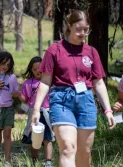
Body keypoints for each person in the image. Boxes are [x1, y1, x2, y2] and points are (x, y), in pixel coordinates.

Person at [31, 10, 116, 167]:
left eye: (85, 29)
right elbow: (45, 81)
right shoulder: (55, 50)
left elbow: (98, 83)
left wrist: (108, 110)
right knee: (68, 148)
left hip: (86, 102)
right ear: (69, 26)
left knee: (84, 152)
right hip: (61, 101)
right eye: (78, 29)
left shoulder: (91, 52)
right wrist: (36, 109)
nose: (82, 33)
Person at [17, 56, 54, 167]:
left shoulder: (50, 81)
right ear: (31, 70)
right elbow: (25, 99)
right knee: (34, 138)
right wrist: (19, 95)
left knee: (48, 137)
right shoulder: (28, 83)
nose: (38, 71)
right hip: (33, 113)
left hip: (47, 112)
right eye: (34, 69)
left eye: (40, 68)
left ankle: (48, 161)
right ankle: (34, 159)